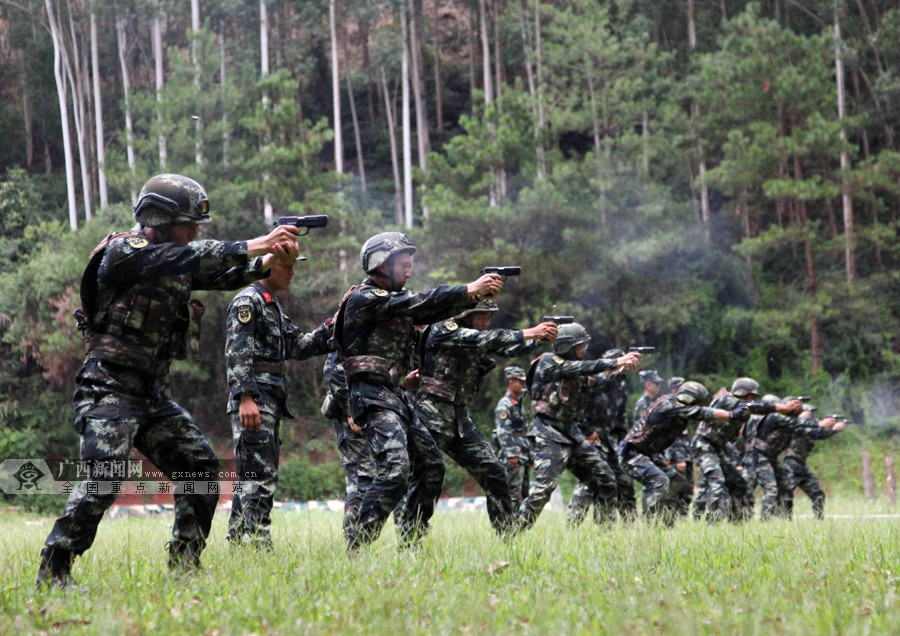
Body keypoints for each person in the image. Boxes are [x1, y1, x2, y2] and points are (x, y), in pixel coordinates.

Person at [37, 174, 301, 588]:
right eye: (187, 224)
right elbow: (193, 257)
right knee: (104, 478)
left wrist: (269, 262)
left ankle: (184, 567)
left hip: (151, 396)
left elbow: (219, 273)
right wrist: (259, 243)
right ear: (158, 220)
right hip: (108, 388)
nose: (194, 232)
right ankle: (54, 569)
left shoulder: (177, 260)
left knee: (199, 468)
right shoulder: (125, 252)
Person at [334, 232, 502, 550]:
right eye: (404, 264)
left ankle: (411, 543)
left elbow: (425, 312)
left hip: (393, 396)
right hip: (371, 397)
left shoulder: (391, 304)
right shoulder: (365, 298)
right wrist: (470, 290)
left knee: (431, 465)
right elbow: (420, 303)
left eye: (411, 264)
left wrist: (470, 298)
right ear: (380, 264)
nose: (409, 270)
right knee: (396, 469)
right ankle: (358, 548)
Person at [414, 298, 557, 534]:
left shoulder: (481, 336)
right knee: (428, 475)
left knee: (493, 470)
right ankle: (411, 538)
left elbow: (507, 348)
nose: (486, 322)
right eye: (482, 316)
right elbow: (483, 339)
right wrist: (531, 331)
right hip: (430, 414)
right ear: (466, 315)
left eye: (490, 317)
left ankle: (507, 535)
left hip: (459, 420)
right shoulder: (445, 329)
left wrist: (539, 339)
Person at [224, 255, 331, 547]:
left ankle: (237, 541)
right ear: (268, 265)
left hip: (269, 398)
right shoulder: (249, 301)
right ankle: (259, 544)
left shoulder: (272, 305)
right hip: (256, 398)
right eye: (287, 265)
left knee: (252, 472)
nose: (292, 271)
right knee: (259, 475)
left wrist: (335, 324)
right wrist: (246, 397)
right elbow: (237, 351)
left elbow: (299, 346)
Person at [513, 324, 641, 533]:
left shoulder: (578, 368)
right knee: (544, 490)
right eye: (581, 346)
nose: (584, 350)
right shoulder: (548, 362)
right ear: (566, 347)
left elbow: (600, 382)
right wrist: (616, 361)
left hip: (572, 434)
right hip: (548, 433)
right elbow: (580, 368)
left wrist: (622, 371)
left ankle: (605, 536)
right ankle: (513, 535)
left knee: (606, 481)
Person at [619, 381, 746, 522]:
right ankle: (649, 524)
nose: (699, 405)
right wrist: (731, 414)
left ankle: (669, 522)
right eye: (698, 402)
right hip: (631, 453)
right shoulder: (669, 405)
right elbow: (701, 413)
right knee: (659, 481)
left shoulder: (678, 409)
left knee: (679, 483)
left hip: (648, 454)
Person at [566, 350, 637, 524]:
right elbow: (575, 410)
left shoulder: (621, 386)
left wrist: (625, 443)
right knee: (591, 482)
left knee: (624, 481)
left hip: (613, 442)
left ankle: (628, 526)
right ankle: (572, 523)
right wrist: (587, 432)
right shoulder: (592, 383)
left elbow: (621, 417)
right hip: (592, 440)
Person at [742, 395, 829, 520]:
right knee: (770, 489)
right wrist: (819, 423)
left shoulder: (790, 421)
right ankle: (765, 520)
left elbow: (807, 430)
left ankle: (784, 518)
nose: (799, 408)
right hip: (760, 456)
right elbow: (796, 422)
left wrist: (827, 427)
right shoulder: (775, 417)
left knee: (786, 487)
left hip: (772, 457)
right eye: (795, 405)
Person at [322, 350, 377, 544]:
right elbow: (332, 369)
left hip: (372, 409)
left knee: (374, 477)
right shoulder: (352, 322)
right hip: (354, 416)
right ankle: (354, 543)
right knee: (361, 478)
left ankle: (357, 542)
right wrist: (351, 409)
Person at [781, 407, 846, 519]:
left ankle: (819, 518)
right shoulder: (794, 425)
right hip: (790, 465)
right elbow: (812, 430)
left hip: (801, 465)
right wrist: (823, 424)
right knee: (786, 496)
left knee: (817, 493)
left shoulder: (807, 427)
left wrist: (834, 429)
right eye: (807, 412)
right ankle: (785, 520)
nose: (810, 415)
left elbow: (818, 434)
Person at [492, 367, 532, 513]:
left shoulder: (517, 403)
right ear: (511, 382)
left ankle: (520, 524)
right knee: (514, 493)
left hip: (523, 454)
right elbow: (504, 432)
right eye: (520, 382)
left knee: (524, 492)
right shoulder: (505, 405)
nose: (523, 386)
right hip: (514, 456)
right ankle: (511, 524)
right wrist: (511, 455)